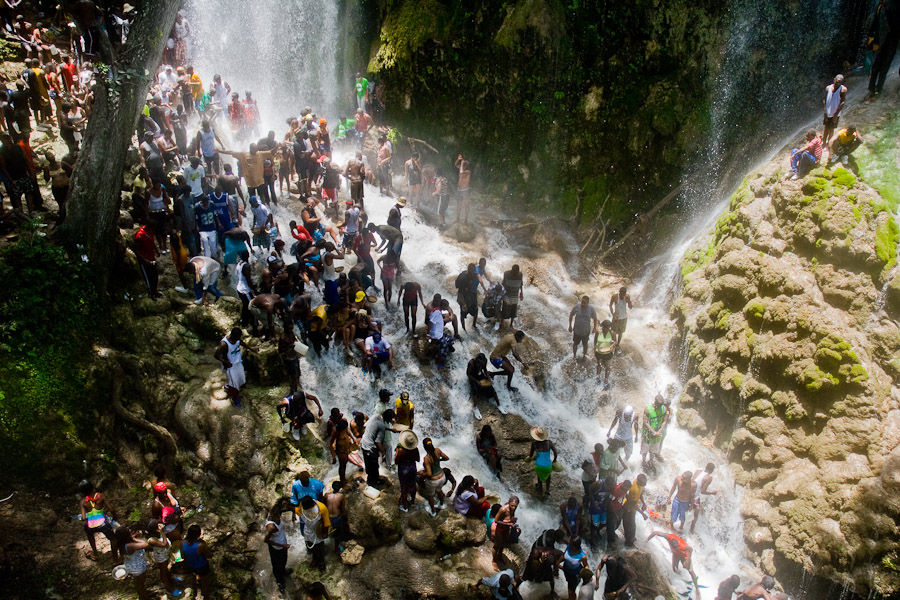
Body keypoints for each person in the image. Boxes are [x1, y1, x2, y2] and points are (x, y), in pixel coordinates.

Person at [866, 0, 900, 100]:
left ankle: (878, 89)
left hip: (892, 39)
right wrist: (870, 38)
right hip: (880, 40)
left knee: (885, 65)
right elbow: (874, 23)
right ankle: (872, 88)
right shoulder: (880, 8)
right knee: (876, 65)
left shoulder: (893, 8)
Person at [79, 480, 119, 562]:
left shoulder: (83, 501)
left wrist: (90, 517)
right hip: (103, 523)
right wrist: (114, 517)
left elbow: (83, 518)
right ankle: (115, 560)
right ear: (92, 487)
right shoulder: (100, 496)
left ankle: (96, 554)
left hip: (90, 525)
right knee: (113, 539)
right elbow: (111, 509)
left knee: (89, 534)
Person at [214, 327, 250, 407]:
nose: (239, 339)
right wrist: (225, 362)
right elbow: (216, 355)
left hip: (238, 362)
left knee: (241, 378)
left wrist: (251, 348)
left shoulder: (237, 339)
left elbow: (241, 342)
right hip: (230, 366)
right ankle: (235, 398)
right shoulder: (224, 344)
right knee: (234, 383)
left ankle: (228, 387)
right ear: (233, 336)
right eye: (238, 337)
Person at [264, 497, 293, 593]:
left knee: (284, 560)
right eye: (276, 516)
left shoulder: (276, 512)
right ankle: (280, 581)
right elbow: (266, 540)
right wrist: (281, 545)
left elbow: (282, 505)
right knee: (277, 565)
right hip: (276, 547)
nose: (277, 518)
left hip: (282, 544)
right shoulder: (271, 527)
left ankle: (283, 571)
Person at [361, 409, 395, 488]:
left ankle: (370, 479)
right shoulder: (382, 426)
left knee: (368, 463)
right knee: (374, 464)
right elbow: (378, 442)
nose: (392, 420)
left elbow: (365, 425)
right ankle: (376, 481)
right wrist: (383, 453)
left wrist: (390, 429)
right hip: (370, 447)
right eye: (391, 419)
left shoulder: (376, 416)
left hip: (364, 443)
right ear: (388, 418)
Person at [116, 527, 150, 600]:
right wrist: (133, 538)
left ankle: (142, 594)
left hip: (132, 566)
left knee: (138, 582)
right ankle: (144, 597)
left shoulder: (122, 544)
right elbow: (145, 544)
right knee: (140, 584)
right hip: (138, 567)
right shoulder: (130, 546)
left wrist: (132, 537)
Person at [298, 495, 330, 572]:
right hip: (308, 530)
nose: (304, 508)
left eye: (306, 507)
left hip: (318, 530)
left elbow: (326, 522)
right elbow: (297, 510)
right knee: (311, 547)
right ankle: (314, 559)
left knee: (320, 547)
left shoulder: (321, 508)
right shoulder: (302, 505)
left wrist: (325, 532)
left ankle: (321, 562)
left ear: (311, 504)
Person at [420, 437, 449, 516]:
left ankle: (433, 511)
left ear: (424, 447)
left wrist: (421, 473)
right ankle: (442, 504)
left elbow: (429, 474)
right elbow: (446, 458)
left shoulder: (427, 458)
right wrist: (439, 460)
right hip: (442, 477)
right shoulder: (437, 450)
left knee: (430, 495)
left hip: (433, 480)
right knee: (439, 490)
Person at [182, 525, 213, 600]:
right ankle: (206, 598)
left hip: (190, 564)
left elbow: (183, 556)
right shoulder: (200, 545)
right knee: (205, 584)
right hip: (202, 566)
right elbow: (209, 555)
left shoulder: (182, 543)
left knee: (194, 581)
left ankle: (195, 593)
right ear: (197, 535)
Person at [468, 353, 503, 419]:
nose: (481, 363)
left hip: (480, 375)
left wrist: (488, 378)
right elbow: (468, 374)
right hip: (473, 377)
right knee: (475, 391)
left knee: (491, 388)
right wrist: (476, 381)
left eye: (482, 362)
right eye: (480, 362)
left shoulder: (485, 361)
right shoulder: (471, 363)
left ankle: (499, 405)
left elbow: (485, 370)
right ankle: (475, 408)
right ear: (477, 360)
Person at [491, 496, 520, 569]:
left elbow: (510, 517)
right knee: (497, 545)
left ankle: (500, 556)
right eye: (512, 506)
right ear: (509, 503)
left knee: (503, 543)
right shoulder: (503, 509)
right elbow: (496, 520)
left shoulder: (513, 509)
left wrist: (512, 520)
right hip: (499, 529)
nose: (513, 507)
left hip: (506, 529)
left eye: (515, 506)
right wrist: (508, 523)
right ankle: (494, 561)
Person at [134, 222, 161, 299]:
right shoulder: (140, 235)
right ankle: (151, 293)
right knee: (148, 277)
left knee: (155, 276)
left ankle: (155, 291)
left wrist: (156, 250)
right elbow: (136, 250)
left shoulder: (151, 232)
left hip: (151, 258)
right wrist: (144, 260)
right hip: (144, 261)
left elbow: (152, 241)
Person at [395, 429, 420, 512]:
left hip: (403, 469)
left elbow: (396, 461)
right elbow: (418, 459)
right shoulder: (415, 450)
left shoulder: (401, 451)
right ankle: (412, 501)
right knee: (413, 485)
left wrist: (396, 453)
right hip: (412, 468)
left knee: (404, 487)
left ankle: (405, 506)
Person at [529, 427, 558, 495]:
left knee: (539, 477)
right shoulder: (549, 443)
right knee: (548, 476)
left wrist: (530, 458)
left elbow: (530, 455)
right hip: (548, 465)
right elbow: (555, 452)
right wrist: (554, 460)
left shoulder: (534, 444)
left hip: (539, 465)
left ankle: (540, 490)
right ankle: (547, 490)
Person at [691, 463, 719, 533]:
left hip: (688, 492)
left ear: (705, 467)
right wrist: (712, 493)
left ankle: (680, 525)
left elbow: (692, 481)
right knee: (696, 513)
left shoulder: (698, 471)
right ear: (712, 470)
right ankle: (691, 530)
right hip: (695, 496)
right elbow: (703, 491)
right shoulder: (708, 478)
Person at [145, 520, 172, 592]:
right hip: (161, 557)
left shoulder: (157, 533)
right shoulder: (152, 540)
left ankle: (168, 580)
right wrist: (162, 532)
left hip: (165, 554)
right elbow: (164, 544)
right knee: (164, 571)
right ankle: (168, 587)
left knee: (166, 568)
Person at [641, 394, 668, 467]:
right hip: (647, 434)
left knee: (654, 450)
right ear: (655, 401)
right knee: (645, 449)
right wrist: (653, 432)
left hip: (658, 434)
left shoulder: (663, 409)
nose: (660, 406)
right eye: (659, 404)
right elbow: (645, 422)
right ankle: (643, 461)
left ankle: (651, 461)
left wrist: (659, 431)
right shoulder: (647, 409)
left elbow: (665, 421)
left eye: (661, 404)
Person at [622, 474, 648, 547]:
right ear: (639, 481)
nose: (645, 484)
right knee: (629, 526)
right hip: (628, 509)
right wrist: (643, 514)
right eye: (643, 483)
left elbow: (641, 493)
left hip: (632, 509)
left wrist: (643, 503)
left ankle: (631, 538)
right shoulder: (634, 490)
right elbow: (634, 504)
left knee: (632, 526)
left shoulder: (638, 482)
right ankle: (628, 543)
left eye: (645, 482)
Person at [822, 74, 847, 147]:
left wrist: (836, 115)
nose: (838, 83)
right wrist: (824, 112)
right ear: (834, 80)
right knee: (826, 128)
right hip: (827, 112)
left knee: (831, 129)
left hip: (835, 113)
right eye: (837, 81)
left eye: (840, 82)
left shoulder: (843, 90)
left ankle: (829, 143)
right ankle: (823, 143)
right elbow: (824, 99)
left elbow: (842, 102)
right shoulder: (828, 88)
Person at [456, 263, 481, 331]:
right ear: (469, 270)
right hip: (463, 296)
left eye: (474, 271)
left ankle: (474, 325)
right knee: (463, 313)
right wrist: (463, 304)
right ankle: (464, 328)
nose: (473, 273)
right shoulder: (463, 277)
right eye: (472, 271)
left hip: (471, 294)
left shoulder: (474, 275)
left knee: (475, 309)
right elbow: (460, 292)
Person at [499, 265, 524, 331]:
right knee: (504, 311)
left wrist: (521, 293)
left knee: (513, 311)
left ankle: (511, 325)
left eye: (516, 272)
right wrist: (501, 295)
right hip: (507, 294)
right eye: (514, 272)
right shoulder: (506, 274)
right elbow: (503, 284)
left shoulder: (520, 275)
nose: (515, 273)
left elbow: (521, 284)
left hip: (515, 295)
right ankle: (501, 325)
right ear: (512, 270)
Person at [593, 319, 617, 386]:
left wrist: (613, 345)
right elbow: (595, 341)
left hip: (608, 352)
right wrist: (594, 348)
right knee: (599, 365)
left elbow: (615, 341)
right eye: (605, 327)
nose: (606, 329)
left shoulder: (612, 333)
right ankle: (598, 377)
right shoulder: (598, 332)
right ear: (602, 326)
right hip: (599, 352)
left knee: (608, 366)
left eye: (608, 327)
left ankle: (606, 380)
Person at [325, 481, 347, 552]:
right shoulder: (341, 496)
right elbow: (342, 508)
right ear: (340, 488)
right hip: (336, 517)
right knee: (338, 534)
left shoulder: (327, 495)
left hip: (328, 517)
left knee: (327, 532)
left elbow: (324, 504)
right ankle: (336, 548)